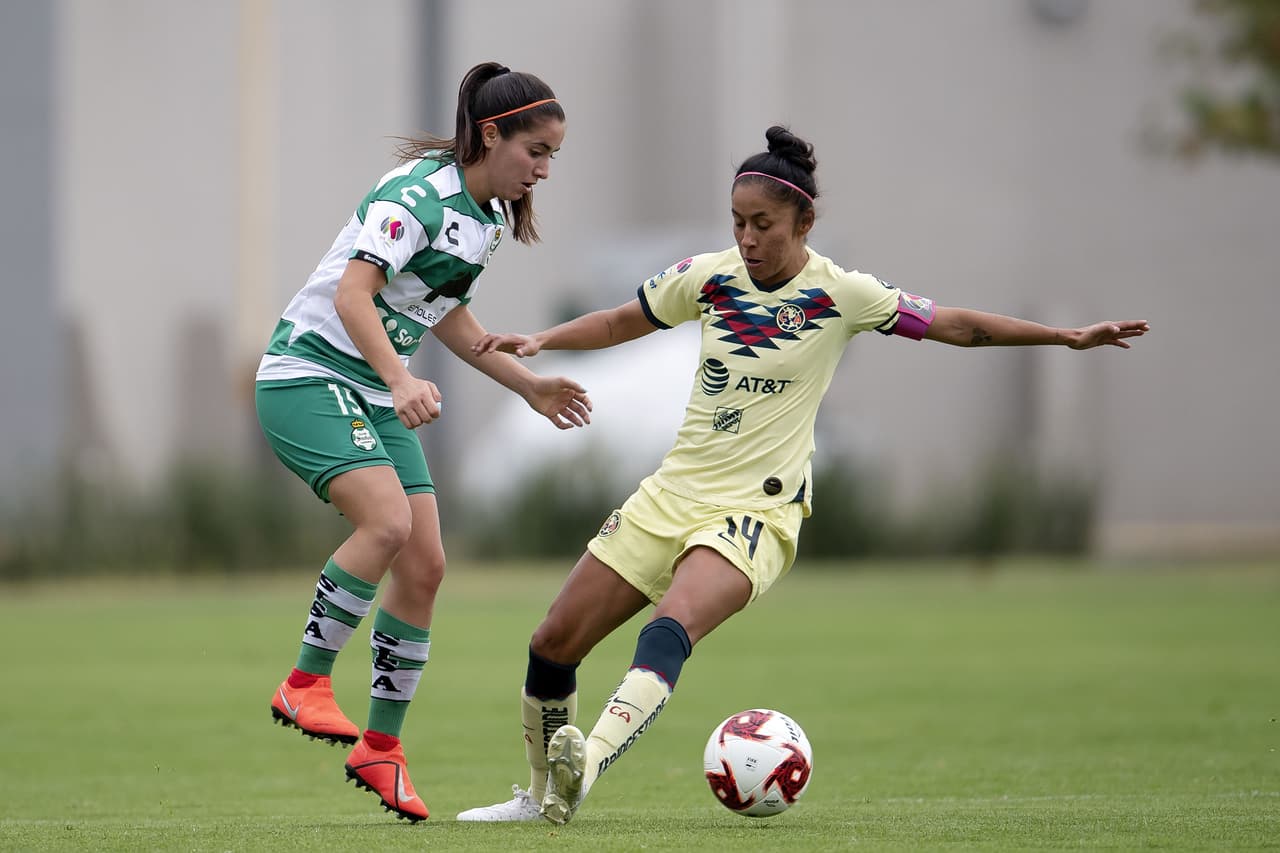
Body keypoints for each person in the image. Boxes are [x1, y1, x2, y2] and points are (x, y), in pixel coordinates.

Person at [455, 125, 1150, 824]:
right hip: (669, 496)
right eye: (738, 222)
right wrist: (545, 340)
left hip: (755, 514)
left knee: (670, 626)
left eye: (763, 225)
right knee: (552, 642)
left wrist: (1065, 336)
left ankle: (589, 763)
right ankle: (542, 799)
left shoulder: (842, 294)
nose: (748, 238)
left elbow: (957, 326)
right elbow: (617, 322)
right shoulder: (709, 276)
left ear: (804, 222)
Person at [254, 60, 591, 823]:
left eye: (554, 157)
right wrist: (402, 381)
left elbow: (443, 311)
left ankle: (382, 748)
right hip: (306, 376)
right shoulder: (416, 194)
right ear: (492, 133)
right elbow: (353, 292)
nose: (543, 169)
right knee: (389, 523)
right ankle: (304, 682)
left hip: (368, 390)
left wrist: (528, 384)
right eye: (535, 151)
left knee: (427, 562)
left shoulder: (493, 218)